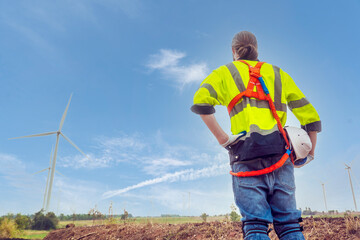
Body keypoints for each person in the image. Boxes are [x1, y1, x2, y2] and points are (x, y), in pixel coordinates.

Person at [191, 31, 321, 240]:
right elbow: (311, 117)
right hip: (281, 158)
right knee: (289, 226)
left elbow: (200, 103)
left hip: (244, 157)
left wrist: (223, 139)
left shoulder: (224, 73)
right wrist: (309, 153)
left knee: (255, 227)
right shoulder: (278, 74)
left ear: (234, 51)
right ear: (256, 49)